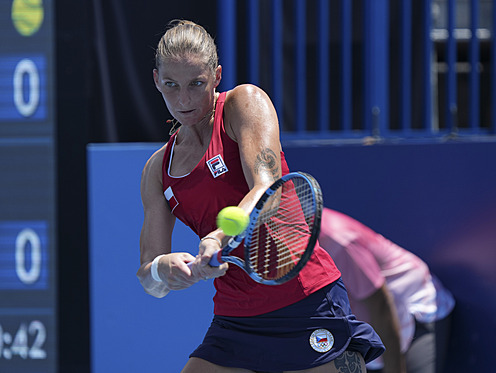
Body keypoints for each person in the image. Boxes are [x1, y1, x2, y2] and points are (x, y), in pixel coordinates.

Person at [136, 20, 384, 373]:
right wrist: (165, 271)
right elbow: (147, 274)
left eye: (197, 84)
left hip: (305, 300)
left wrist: (219, 236)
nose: (184, 99)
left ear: (217, 75)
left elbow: (268, 189)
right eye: (172, 85)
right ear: (157, 80)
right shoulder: (156, 170)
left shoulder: (243, 104)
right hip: (236, 320)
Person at [318, 208, 455, 373]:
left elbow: (380, 305)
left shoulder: (337, 242)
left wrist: (394, 369)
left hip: (413, 309)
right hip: (366, 333)